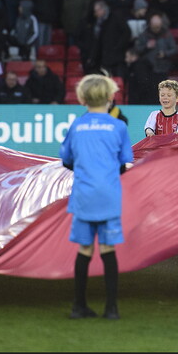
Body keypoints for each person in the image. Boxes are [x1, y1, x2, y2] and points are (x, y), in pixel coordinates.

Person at [60, 74, 134, 320]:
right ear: (110, 96)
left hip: (83, 195)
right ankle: (111, 309)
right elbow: (124, 163)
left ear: (82, 98)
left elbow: (66, 161)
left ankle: (78, 306)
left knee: (84, 249)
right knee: (107, 249)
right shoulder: (119, 126)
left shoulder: (76, 126)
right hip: (109, 196)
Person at [134, 12, 177, 84]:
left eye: (158, 27)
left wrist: (165, 54)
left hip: (163, 67)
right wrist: (146, 46)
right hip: (147, 69)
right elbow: (137, 49)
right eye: (155, 27)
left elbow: (174, 49)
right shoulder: (144, 35)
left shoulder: (167, 34)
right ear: (150, 25)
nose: (157, 29)